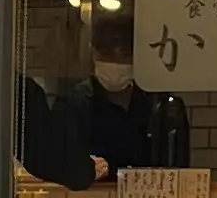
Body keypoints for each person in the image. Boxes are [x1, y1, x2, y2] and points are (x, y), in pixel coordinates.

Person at [79, 26, 192, 179]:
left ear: (136, 57)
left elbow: (177, 170)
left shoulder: (162, 107)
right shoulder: (75, 105)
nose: (115, 62)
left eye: (124, 54)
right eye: (107, 55)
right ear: (93, 55)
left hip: (151, 197)